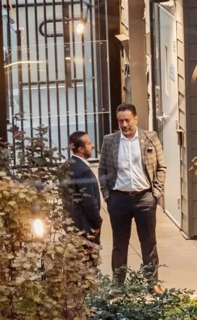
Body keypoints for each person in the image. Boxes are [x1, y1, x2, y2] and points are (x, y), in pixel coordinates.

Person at [98, 103, 166, 287]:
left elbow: (161, 167)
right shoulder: (109, 141)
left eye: (127, 120)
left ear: (136, 119)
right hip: (118, 199)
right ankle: (118, 285)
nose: (124, 124)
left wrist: (156, 193)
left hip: (144, 198)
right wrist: (107, 195)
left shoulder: (150, 137)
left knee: (148, 243)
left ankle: (152, 283)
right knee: (119, 244)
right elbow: (102, 170)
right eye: (120, 121)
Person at [64, 131, 102, 243]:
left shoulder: (66, 166)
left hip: (70, 224)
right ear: (81, 149)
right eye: (89, 144)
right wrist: (97, 222)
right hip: (86, 226)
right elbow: (89, 202)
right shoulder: (84, 171)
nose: (93, 146)